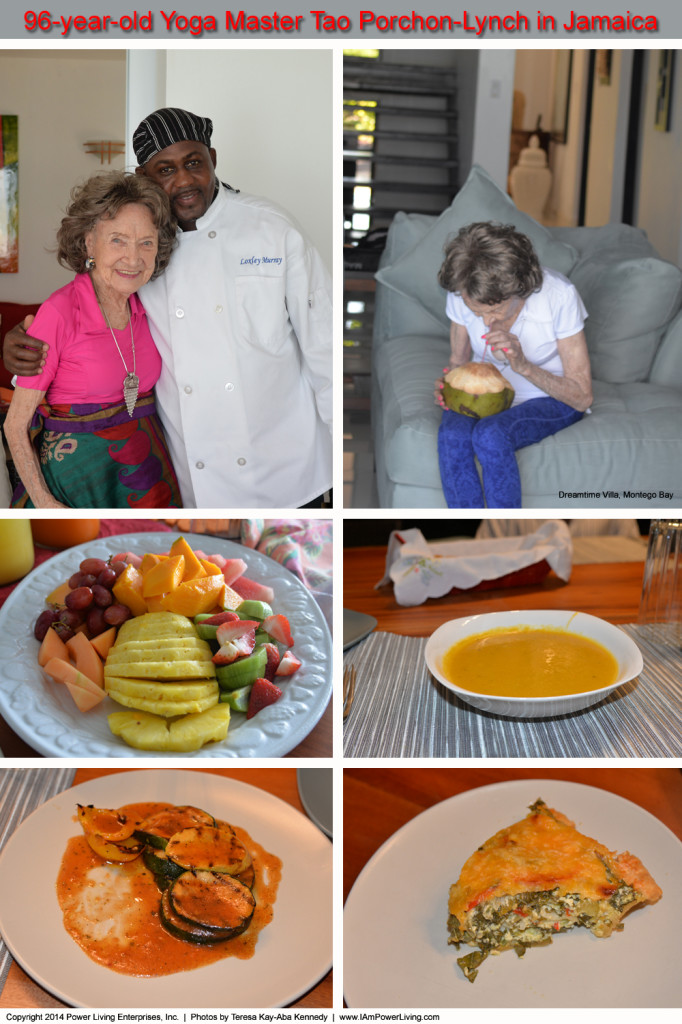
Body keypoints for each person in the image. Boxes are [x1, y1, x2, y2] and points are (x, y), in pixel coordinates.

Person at [3, 107, 332, 509]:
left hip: (290, 473)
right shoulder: (146, 252)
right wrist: (22, 340)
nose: (184, 181)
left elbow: (327, 351)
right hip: (193, 480)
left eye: (194, 163)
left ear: (214, 158)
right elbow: (87, 305)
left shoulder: (273, 230)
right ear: (145, 176)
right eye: (165, 170)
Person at [3, 171, 181, 508]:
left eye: (146, 242)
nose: (133, 258)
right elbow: (15, 426)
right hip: (75, 488)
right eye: (117, 240)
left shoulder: (150, 307)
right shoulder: (58, 312)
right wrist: (45, 504)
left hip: (148, 481)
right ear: (89, 242)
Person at [435, 221, 593, 508]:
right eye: (475, 312)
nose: (485, 322)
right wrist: (448, 388)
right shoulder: (462, 290)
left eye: (494, 310)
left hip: (551, 397)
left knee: (491, 435)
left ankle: (506, 526)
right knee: (452, 433)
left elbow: (582, 397)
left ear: (520, 288)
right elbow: (457, 361)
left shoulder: (559, 296)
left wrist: (524, 366)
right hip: (485, 395)